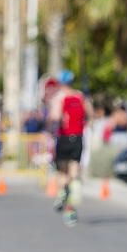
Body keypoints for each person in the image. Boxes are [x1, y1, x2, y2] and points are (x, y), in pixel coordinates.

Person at [48, 70, 92, 226]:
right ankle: (71, 210)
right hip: (78, 138)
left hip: (63, 137)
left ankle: (62, 194)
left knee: (62, 172)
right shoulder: (80, 96)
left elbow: (55, 117)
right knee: (74, 173)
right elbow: (89, 114)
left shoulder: (58, 97)